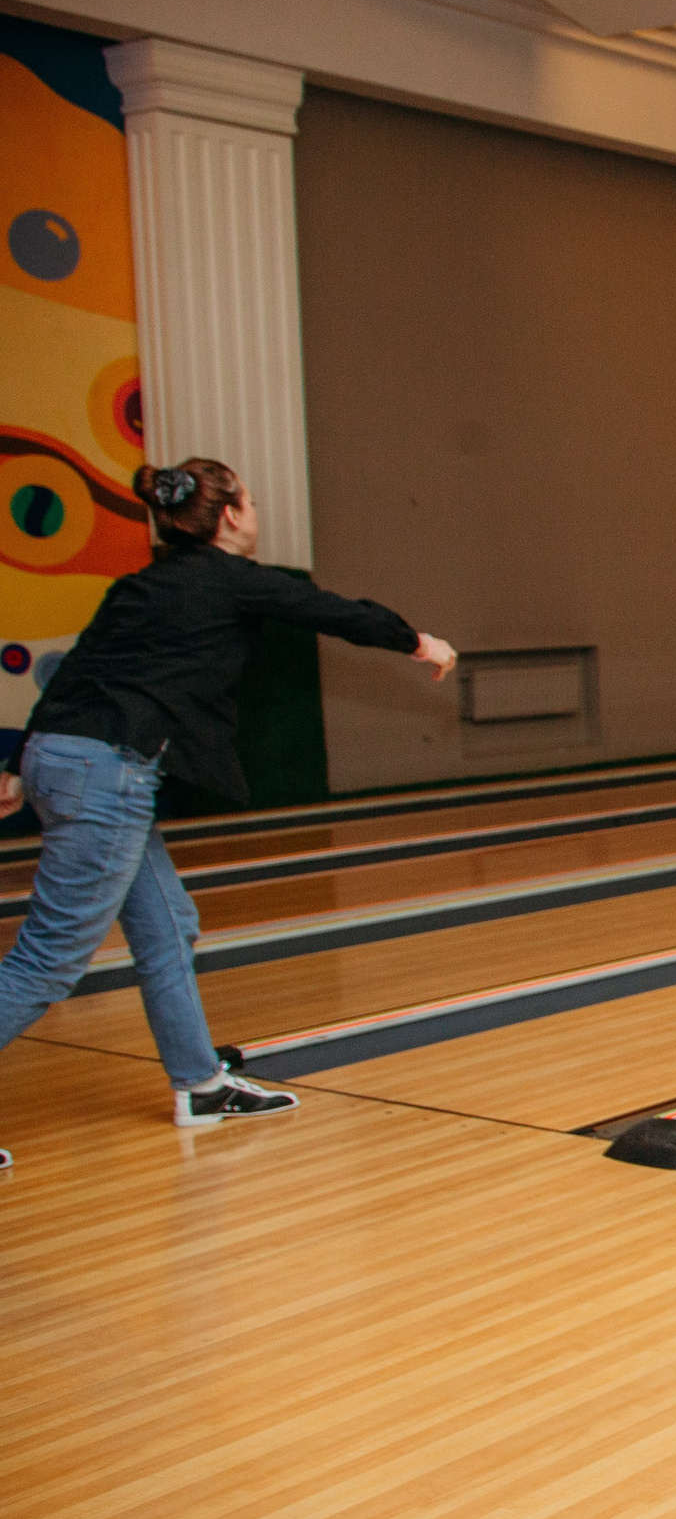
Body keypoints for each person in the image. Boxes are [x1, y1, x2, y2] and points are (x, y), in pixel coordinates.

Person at [0, 458, 455, 1169]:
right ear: (233, 515)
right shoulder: (230, 579)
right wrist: (420, 641)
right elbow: (335, 611)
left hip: (66, 756)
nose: (255, 513)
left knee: (167, 925)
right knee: (50, 958)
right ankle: (199, 1082)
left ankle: (200, 1084)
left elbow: (79, 669)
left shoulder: (138, 586)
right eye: (250, 502)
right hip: (107, 773)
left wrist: (20, 760)